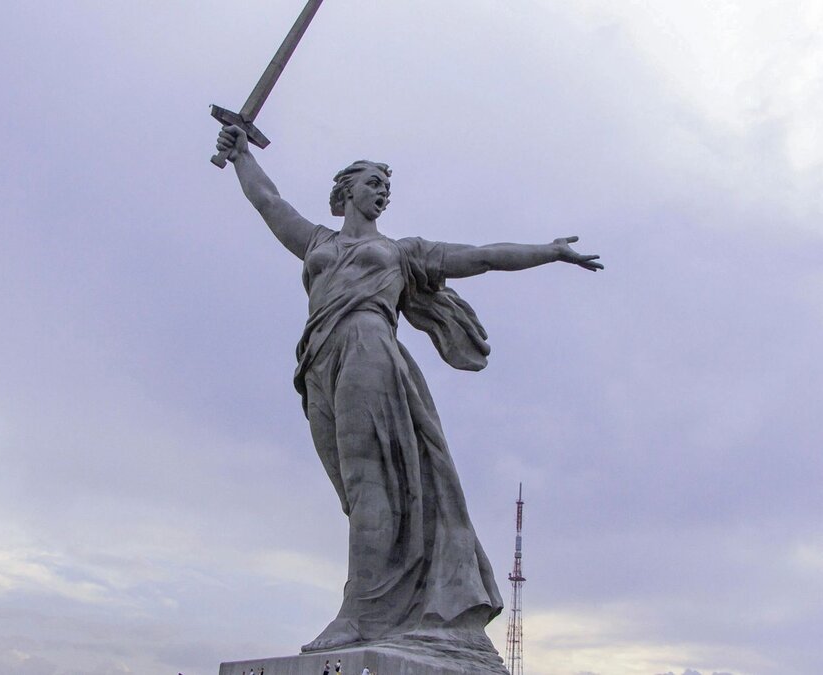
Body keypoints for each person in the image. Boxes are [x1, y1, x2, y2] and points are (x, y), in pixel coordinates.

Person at [215, 126, 602, 653]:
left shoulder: (401, 252)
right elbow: (268, 201)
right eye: (373, 184)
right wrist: (241, 154)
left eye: (387, 189)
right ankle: (381, 604)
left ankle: (360, 613)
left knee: (367, 479)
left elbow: (482, 256)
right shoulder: (316, 242)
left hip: (368, 348)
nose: (382, 193)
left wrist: (549, 252)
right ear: (346, 190)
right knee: (354, 491)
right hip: (317, 361)